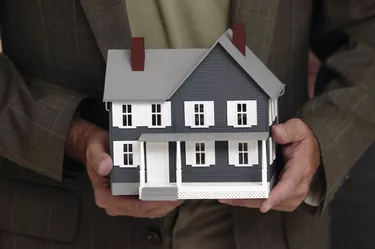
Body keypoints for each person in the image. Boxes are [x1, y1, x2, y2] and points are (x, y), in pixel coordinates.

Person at [0, 0, 374, 248]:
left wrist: (321, 138)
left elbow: (367, 29)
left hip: (267, 223)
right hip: (69, 219)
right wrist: (70, 134)